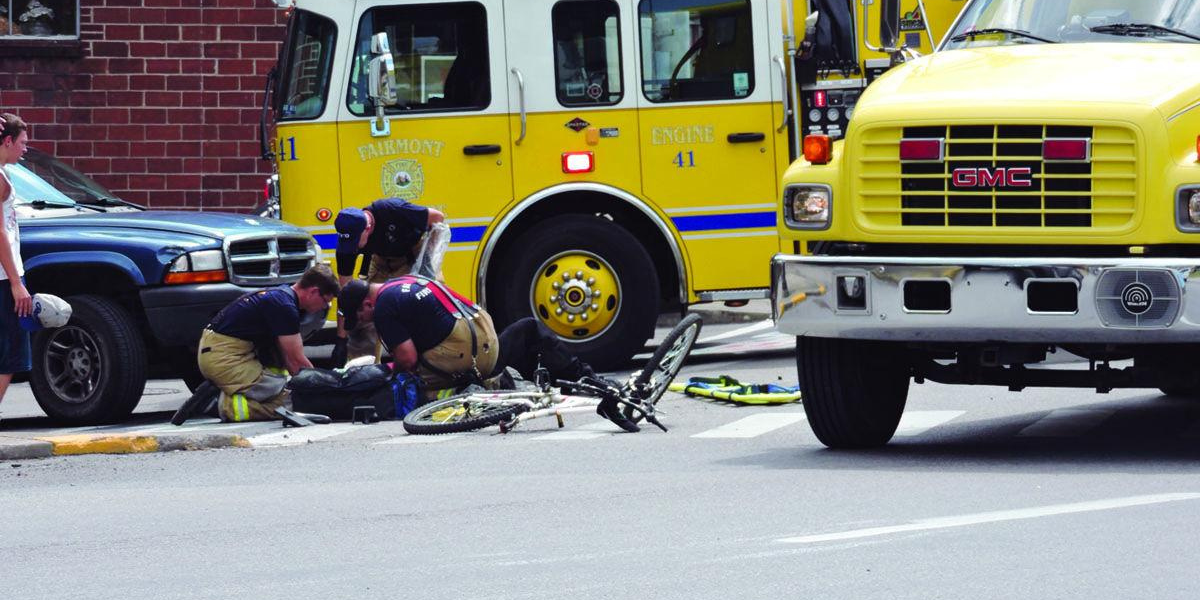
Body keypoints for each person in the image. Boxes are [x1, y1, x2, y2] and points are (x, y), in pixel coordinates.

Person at [338, 275, 640, 431]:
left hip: (464, 358)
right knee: (529, 330)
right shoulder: (409, 280)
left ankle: (487, 384)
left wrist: (390, 371)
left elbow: (407, 359)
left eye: (362, 319)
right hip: (488, 342)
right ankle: (587, 380)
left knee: (403, 376)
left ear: (367, 304)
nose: (366, 324)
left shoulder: (385, 306)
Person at [191, 264, 339, 422]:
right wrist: (322, 389)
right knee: (290, 401)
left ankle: (225, 393)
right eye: (326, 302)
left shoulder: (281, 296)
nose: (324, 307)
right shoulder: (285, 307)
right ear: (314, 292)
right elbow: (297, 361)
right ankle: (218, 404)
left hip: (220, 352)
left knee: (287, 384)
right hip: (224, 359)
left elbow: (287, 358)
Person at [332, 198, 445, 364]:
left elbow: (438, 217)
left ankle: (429, 365)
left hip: (412, 258)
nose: (353, 248)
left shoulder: (392, 210)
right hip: (380, 262)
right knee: (361, 309)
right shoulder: (346, 246)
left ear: (368, 228)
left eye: (355, 242)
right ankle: (363, 372)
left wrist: (427, 260)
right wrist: (341, 339)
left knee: (423, 307)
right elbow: (347, 296)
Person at [0, 113, 32, 424]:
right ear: (7, 141)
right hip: (3, 277)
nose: (26, 148)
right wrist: (15, 282)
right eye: (22, 142)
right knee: (9, 353)